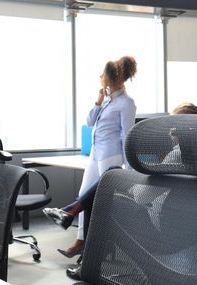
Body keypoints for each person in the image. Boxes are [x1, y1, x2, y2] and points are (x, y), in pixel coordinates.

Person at [45, 100, 197, 259]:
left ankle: (86, 251)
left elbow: (141, 197)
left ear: (182, 129)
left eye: (172, 127)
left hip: (162, 235)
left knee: (100, 194)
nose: (169, 132)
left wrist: (132, 180)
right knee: (110, 176)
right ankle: (73, 221)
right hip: (188, 232)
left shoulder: (176, 155)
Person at [45, 56, 138, 259]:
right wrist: (97, 102)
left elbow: (127, 135)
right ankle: (80, 241)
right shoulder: (106, 100)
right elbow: (89, 122)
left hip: (111, 157)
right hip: (96, 154)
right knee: (84, 195)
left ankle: (95, 246)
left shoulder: (126, 103)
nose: (99, 76)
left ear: (110, 77)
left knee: (101, 202)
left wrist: (129, 170)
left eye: (102, 74)